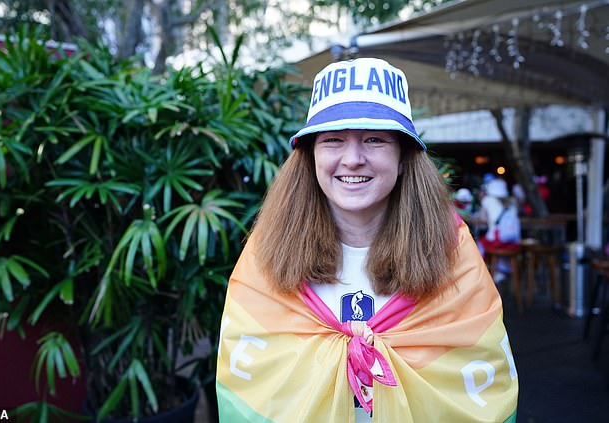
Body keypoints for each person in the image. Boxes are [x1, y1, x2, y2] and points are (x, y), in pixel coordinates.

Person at [216, 58, 518, 422]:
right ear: (310, 156)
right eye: (333, 140)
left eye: (374, 140)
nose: (353, 159)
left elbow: (480, 388)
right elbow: (251, 387)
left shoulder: (452, 255)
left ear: (404, 157)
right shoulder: (267, 257)